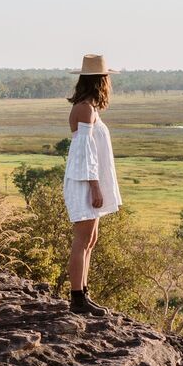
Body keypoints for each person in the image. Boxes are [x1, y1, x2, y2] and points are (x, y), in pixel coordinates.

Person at [63, 53, 121, 316]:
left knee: (90, 238)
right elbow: (85, 152)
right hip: (84, 181)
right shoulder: (85, 109)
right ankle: (77, 299)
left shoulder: (89, 108)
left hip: (88, 179)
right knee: (82, 239)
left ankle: (83, 293)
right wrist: (95, 186)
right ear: (101, 80)